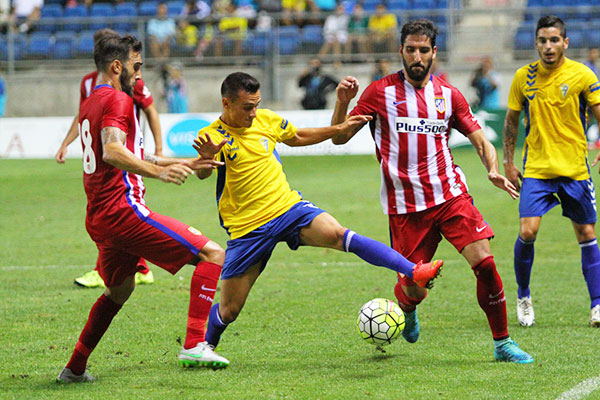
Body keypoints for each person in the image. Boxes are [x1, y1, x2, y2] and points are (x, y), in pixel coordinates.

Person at [193, 72, 444, 362]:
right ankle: (203, 346)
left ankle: (413, 270)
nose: (254, 112)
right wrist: (205, 159)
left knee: (339, 234)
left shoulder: (266, 120)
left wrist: (338, 127)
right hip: (248, 229)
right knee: (229, 309)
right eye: (247, 107)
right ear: (226, 103)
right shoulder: (211, 136)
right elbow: (202, 173)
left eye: (257, 105)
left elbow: (297, 136)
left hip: (287, 209)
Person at [330, 19, 534, 363]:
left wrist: (493, 169)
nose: (417, 56)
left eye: (424, 50)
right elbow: (339, 136)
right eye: (411, 49)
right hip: (406, 207)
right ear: (401, 51)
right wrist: (342, 102)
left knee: (484, 263)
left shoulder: (448, 95)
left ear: (434, 53)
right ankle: (408, 308)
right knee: (414, 288)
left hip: (450, 194)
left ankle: (502, 343)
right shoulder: (379, 93)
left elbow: (480, 139)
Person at [56, 34, 228, 384]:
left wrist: (189, 163)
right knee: (212, 254)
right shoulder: (119, 99)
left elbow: (133, 151)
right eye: (136, 66)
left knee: (119, 291)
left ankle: (74, 367)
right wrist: (160, 172)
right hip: (124, 211)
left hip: (101, 217)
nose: (139, 74)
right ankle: (195, 344)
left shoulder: (92, 101)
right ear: (117, 66)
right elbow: (114, 152)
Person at [502, 15, 600, 328]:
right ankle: (524, 295)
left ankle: (597, 305)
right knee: (527, 231)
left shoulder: (583, 75)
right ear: (536, 43)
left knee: (586, 234)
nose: (548, 46)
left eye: (554, 40)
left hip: (574, 168)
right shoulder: (523, 77)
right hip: (537, 168)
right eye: (543, 40)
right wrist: (508, 161)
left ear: (565, 43)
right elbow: (511, 121)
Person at [55, 29, 163, 289]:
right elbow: (83, 114)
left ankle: (101, 271)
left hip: (123, 151)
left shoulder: (131, 80)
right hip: (107, 152)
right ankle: (141, 268)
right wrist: (66, 143)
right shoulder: (88, 84)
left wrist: (158, 152)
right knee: (120, 214)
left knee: (117, 212)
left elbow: (151, 111)